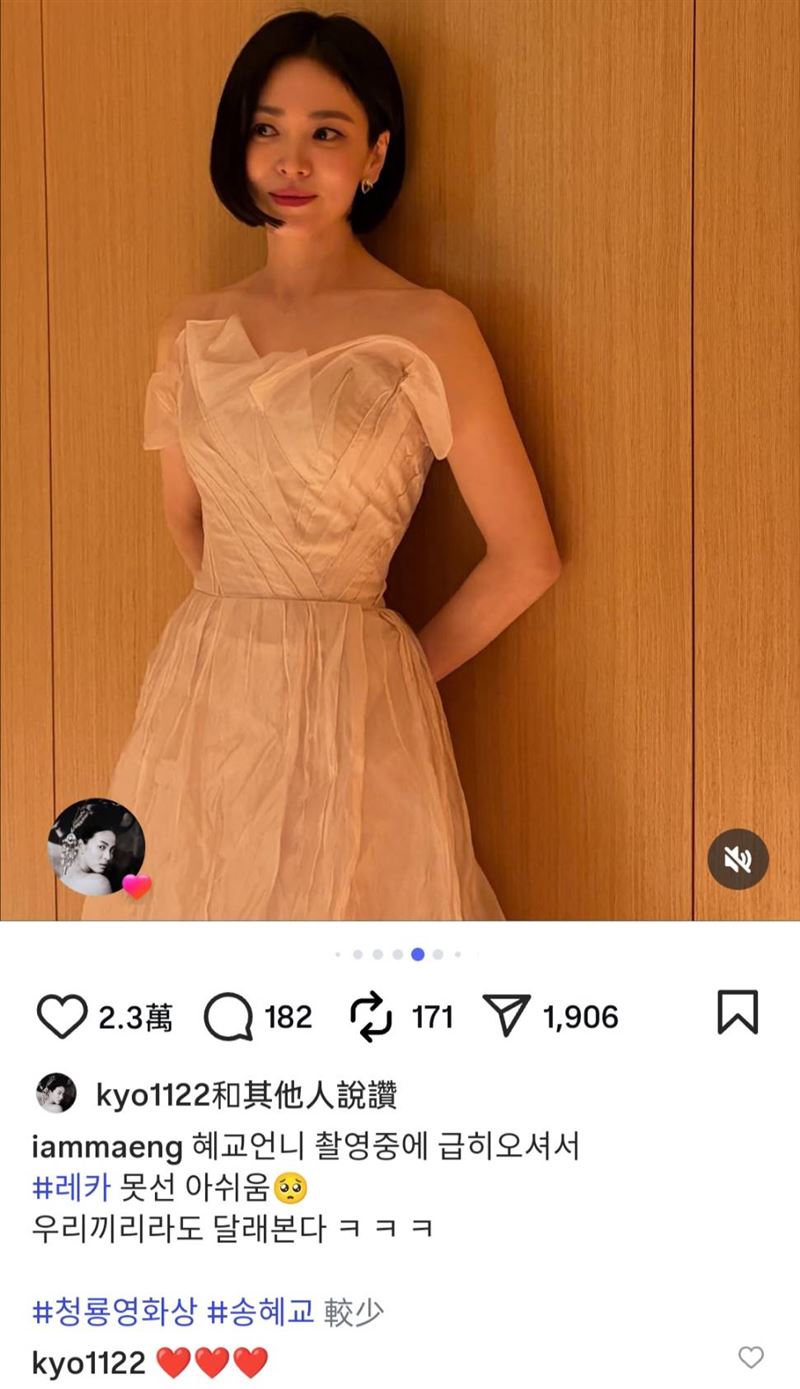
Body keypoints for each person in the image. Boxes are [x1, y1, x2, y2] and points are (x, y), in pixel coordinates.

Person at [82, 10, 561, 922]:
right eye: (267, 129)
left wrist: (381, 675)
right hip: (204, 688)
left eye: (326, 133)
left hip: (357, 702)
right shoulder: (189, 328)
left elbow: (526, 557)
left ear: (376, 155)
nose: (291, 161)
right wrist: (249, 635)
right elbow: (187, 515)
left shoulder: (432, 328)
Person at [54, 802, 119, 897]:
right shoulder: (99, 884)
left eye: (112, 850)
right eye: (101, 847)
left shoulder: (64, 873)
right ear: (81, 845)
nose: (108, 857)